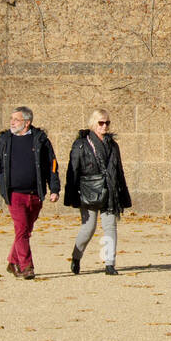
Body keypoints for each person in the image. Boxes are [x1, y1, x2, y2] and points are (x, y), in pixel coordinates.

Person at [0, 106, 60, 280]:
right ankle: (27, 267)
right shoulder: (3, 141)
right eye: (11, 119)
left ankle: (12, 261)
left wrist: (54, 189)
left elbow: (52, 166)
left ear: (27, 122)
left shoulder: (40, 140)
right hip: (14, 194)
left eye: (16, 119)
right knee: (21, 230)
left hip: (35, 194)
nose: (12, 122)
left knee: (26, 231)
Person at [65, 109, 131, 275]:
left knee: (110, 226)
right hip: (89, 190)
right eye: (101, 123)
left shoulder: (113, 145)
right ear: (93, 123)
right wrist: (71, 195)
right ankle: (76, 257)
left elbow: (119, 171)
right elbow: (73, 170)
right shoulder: (81, 144)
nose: (105, 126)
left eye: (107, 122)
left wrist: (123, 195)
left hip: (110, 190)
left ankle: (109, 264)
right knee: (88, 228)